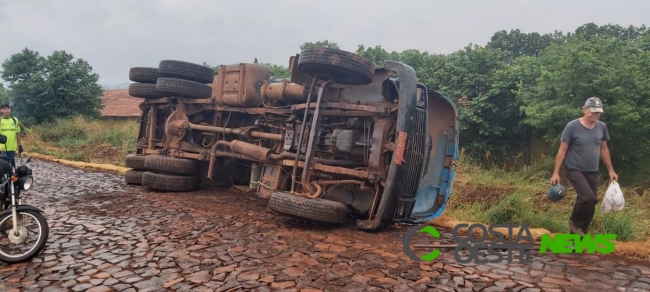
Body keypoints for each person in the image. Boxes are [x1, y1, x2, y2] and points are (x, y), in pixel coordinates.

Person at [550, 96, 618, 237]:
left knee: (591, 202)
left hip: (592, 170)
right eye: (593, 111)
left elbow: (604, 149)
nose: (596, 115)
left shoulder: (602, 127)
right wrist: (556, 172)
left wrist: (611, 170)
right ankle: (574, 223)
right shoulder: (572, 127)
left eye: (598, 112)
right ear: (584, 109)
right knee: (587, 197)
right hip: (574, 169)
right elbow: (562, 150)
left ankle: (577, 237)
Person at [0, 103, 23, 168]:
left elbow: (17, 133)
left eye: (8, 108)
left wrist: (20, 146)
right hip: (1, 148)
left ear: (10, 110)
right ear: (1, 110)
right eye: (4, 109)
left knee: (10, 166)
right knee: (3, 167)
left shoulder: (14, 120)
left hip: (11, 148)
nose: (6, 110)